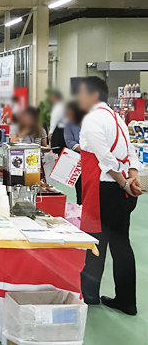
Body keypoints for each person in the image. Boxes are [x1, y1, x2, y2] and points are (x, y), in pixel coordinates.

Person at [77, 76, 142, 315]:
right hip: (122, 193)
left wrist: (125, 183)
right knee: (121, 244)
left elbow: (105, 159)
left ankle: (90, 295)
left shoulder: (92, 119)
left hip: (105, 189)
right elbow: (132, 154)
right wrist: (133, 179)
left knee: (95, 242)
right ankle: (127, 300)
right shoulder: (117, 119)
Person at [64, 101, 86, 204]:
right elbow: (69, 141)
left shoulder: (91, 122)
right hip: (79, 160)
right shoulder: (69, 124)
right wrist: (84, 149)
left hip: (94, 160)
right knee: (80, 190)